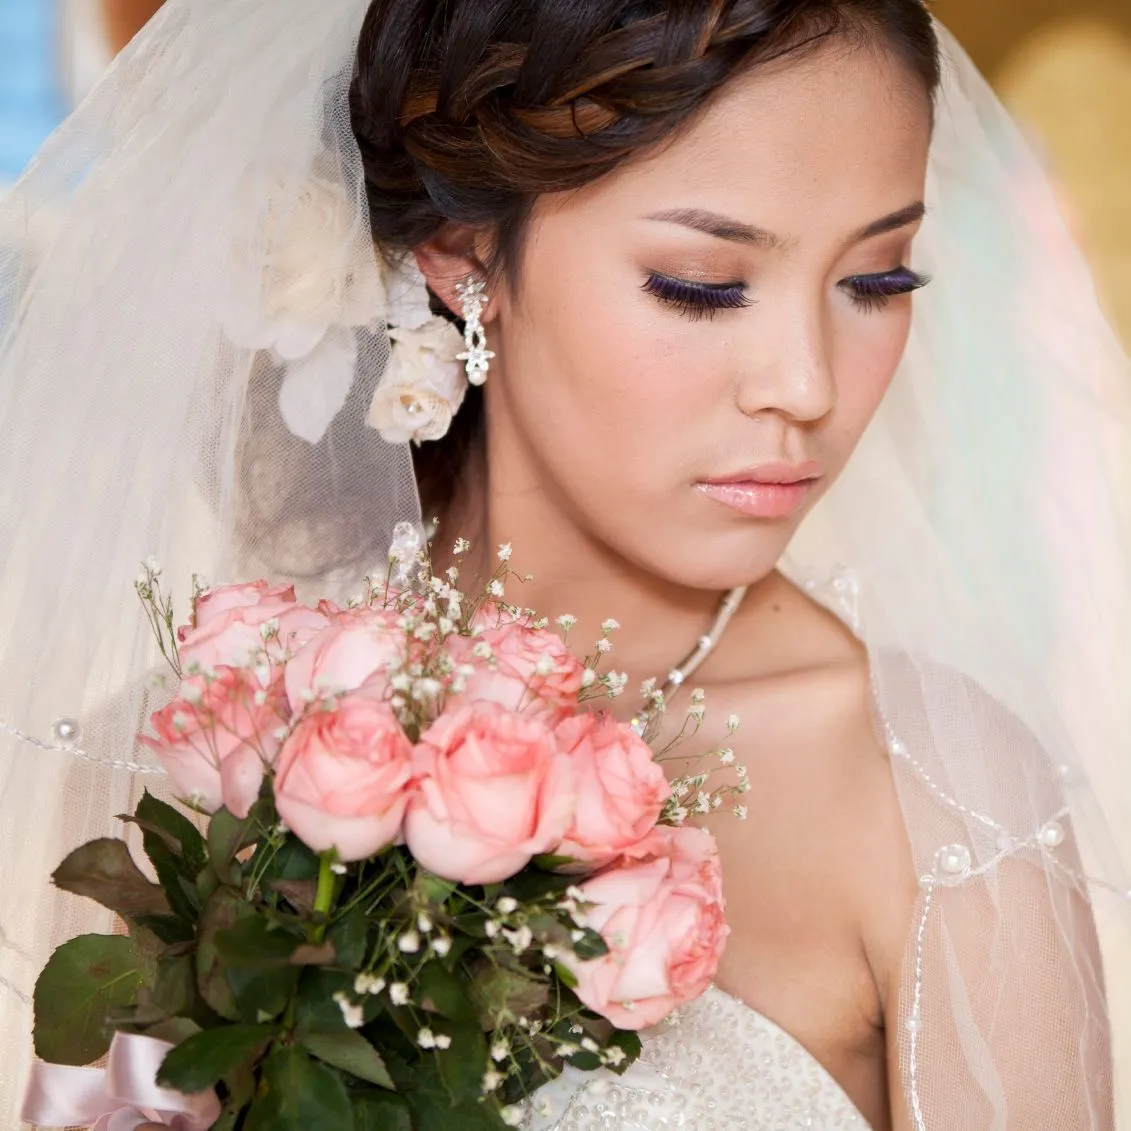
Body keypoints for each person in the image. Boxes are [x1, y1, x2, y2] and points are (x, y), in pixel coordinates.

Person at [0, 2, 1128, 1129]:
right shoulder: (203, 759)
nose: (808, 384)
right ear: (461, 254)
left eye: (877, 281)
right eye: (701, 283)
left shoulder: (931, 798)